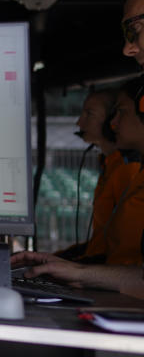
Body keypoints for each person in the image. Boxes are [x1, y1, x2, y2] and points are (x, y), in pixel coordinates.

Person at [12, 77, 144, 297]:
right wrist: (67, 263)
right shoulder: (123, 169)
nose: (114, 123)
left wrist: (79, 269)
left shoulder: (127, 171)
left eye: (121, 112)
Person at [56, 89, 139, 262]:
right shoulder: (109, 164)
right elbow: (101, 241)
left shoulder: (129, 169)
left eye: (89, 114)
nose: (79, 122)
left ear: (110, 119)